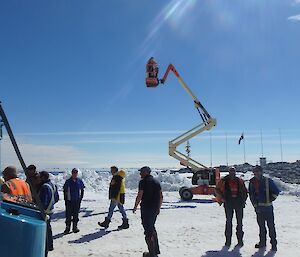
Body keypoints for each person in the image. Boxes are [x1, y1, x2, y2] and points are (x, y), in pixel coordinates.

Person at [133, 166, 163, 257]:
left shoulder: (143, 182)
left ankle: (152, 254)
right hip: (154, 209)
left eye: (141, 172)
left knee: (148, 232)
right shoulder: (156, 181)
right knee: (152, 229)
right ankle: (156, 251)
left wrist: (135, 206)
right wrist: (158, 208)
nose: (140, 174)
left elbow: (140, 195)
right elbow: (161, 196)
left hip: (146, 209)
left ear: (146, 172)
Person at [248, 165, 280, 251]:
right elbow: (251, 195)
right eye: (255, 172)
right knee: (261, 227)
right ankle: (262, 243)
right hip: (258, 209)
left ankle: (274, 244)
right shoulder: (252, 182)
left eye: (258, 171)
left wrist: (270, 199)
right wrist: (255, 205)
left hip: (268, 208)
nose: (256, 173)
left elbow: (276, 191)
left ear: (261, 172)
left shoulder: (267, 181)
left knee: (271, 227)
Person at [215, 166, 248, 247]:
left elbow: (245, 191)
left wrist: (243, 201)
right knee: (229, 222)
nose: (232, 173)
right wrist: (222, 198)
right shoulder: (223, 180)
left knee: (239, 223)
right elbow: (217, 189)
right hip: (228, 202)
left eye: (233, 171)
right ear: (229, 172)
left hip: (238, 203)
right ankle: (228, 241)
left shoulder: (240, 181)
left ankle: (240, 240)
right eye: (231, 171)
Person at [39, 171, 59, 256]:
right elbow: (57, 198)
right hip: (50, 210)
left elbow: (43, 201)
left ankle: (46, 247)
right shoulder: (53, 185)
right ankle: (50, 245)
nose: (39, 178)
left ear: (43, 177)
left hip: (45, 212)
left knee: (45, 230)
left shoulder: (44, 187)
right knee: (48, 228)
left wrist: (42, 209)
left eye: (40, 177)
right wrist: (51, 205)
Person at [63, 168, 85, 234]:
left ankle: (75, 227)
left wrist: (81, 198)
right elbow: (65, 191)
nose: (75, 174)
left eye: (76, 173)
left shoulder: (79, 181)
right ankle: (67, 228)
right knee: (68, 215)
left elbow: (82, 189)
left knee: (76, 215)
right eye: (73, 173)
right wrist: (66, 200)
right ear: (72, 173)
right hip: (69, 201)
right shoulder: (68, 181)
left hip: (77, 201)